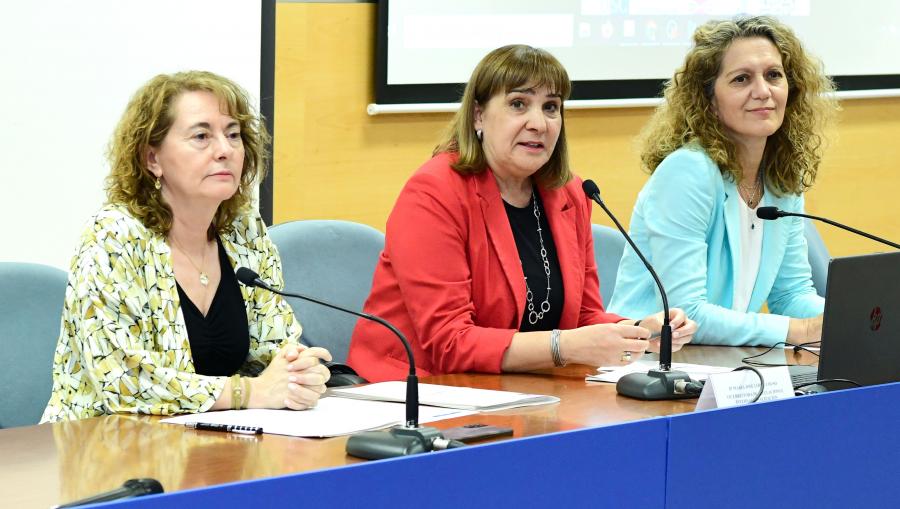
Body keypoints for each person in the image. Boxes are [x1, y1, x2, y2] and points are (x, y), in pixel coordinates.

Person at [347, 45, 696, 382]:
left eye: (551, 107)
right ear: (478, 115)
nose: (539, 123)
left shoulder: (570, 193)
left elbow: (583, 317)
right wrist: (563, 347)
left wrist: (638, 331)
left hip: (521, 388)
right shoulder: (434, 192)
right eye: (518, 104)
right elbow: (448, 342)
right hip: (420, 388)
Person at [42, 71, 331, 422]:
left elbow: (273, 345)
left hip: (214, 443)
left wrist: (299, 372)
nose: (224, 150)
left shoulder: (243, 230)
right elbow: (125, 381)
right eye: (201, 136)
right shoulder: (113, 238)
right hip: (107, 449)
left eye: (233, 135)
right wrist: (249, 392)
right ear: (153, 159)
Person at [608, 16, 838, 346]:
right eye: (741, 79)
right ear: (710, 102)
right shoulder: (687, 172)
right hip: (650, 361)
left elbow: (791, 297)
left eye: (774, 75)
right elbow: (688, 314)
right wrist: (799, 331)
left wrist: (851, 319)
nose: (763, 92)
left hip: (722, 360)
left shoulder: (781, 179)